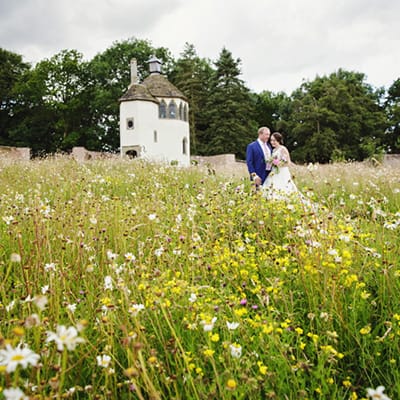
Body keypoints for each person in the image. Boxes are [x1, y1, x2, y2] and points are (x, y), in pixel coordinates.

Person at [262, 132, 300, 199]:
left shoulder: (283, 149)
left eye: (274, 140)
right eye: (271, 140)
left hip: (282, 172)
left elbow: (288, 162)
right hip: (274, 172)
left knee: (283, 188)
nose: (272, 142)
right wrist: (271, 162)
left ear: (278, 140)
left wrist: (278, 164)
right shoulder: (273, 150)